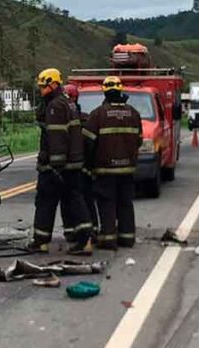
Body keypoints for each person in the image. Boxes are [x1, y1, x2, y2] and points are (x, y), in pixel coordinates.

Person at [30, 68, 93, 255]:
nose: (41, 90)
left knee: (46, 201)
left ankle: (42, 241)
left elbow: (56, 138)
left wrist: (56, 167)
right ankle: (82, 240)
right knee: (73, 200)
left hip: (57, 166)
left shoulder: (56, 106)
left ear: (54, 85)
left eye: (44, 87)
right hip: (71, 164)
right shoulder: (66, 103)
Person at [83, 76, 142, 250]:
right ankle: (127, 237)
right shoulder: (134, 114)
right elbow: (139, 141)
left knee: (106, 203)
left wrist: (89, 164)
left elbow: (88, 142)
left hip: (105, 169)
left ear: (105, 92)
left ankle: (108, 238)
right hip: (127, 169)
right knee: (125, 203)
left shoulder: (97, 114)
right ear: (120, 90)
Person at [60, 84, 99, 242]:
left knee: (69, 199)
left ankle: (72, 232)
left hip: (71, 167)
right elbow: (93, 144)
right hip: (85, 167)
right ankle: (92, 230)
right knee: (86, 199)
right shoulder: (85, 118)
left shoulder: (67, 118)